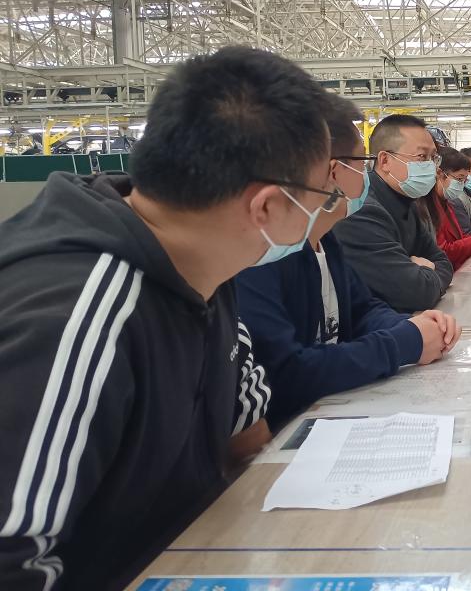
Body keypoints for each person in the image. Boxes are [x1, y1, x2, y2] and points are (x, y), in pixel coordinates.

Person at [0, 46, 336, 589]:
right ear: (267, 207)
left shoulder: (207, 274)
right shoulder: (78, 318)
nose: (326, 209)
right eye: (323, 194)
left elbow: (246, 438)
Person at [236, 98, 462, 428]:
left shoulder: (325, 241)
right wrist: (405, 343)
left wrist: (411, 325)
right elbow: (286, 373)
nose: (368, 174)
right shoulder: (265, 257)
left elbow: (362, 309)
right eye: (362, 162)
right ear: (333, 172)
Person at [333, 114, 454, 312]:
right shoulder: (362, 211)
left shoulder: (407, 202)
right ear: (385, 160)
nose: (431, 166)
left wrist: (426, 271)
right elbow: (415, 292)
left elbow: (443, 261)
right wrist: (427, 271)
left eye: (434, 158)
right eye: (422, 157)